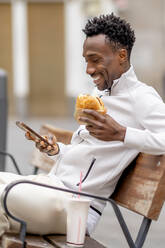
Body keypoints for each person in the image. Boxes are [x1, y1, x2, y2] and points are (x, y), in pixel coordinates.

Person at [1, 13, 165, 237]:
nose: (88, 69)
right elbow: (90, 154)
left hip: (75, 206)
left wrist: (122, 133)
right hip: (52, 186)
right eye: (86, 60)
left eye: (95, 59)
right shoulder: (98, 93)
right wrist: (58, 150)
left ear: (122, 55)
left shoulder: (142, 98)